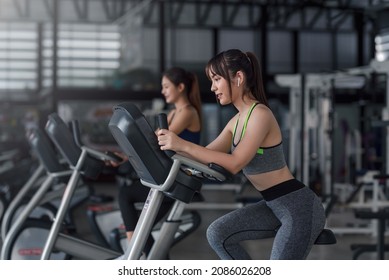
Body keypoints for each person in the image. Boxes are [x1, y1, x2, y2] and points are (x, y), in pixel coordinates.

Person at [157, 49, 326, 260]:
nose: (212, 87)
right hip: (272, 205)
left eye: (217, 79)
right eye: (212, 80)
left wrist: (182, 143)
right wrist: (169, 146)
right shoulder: (237, 121)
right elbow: (206, 154)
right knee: (218, 233)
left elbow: (235, 163)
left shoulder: (260, 114)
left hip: (298, 208)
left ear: (238, 77)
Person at [111, 66, 202, 256]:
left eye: (166, 86)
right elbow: (151, 141)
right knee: (140, 229)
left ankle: (132, 253)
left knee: (128, 200)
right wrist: (124, 156)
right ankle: (139, 254)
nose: (163, 91)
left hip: (177, 179)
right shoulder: (173, 113)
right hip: (169, 176)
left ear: (180, 87)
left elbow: (157, 142)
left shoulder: (187, 112)